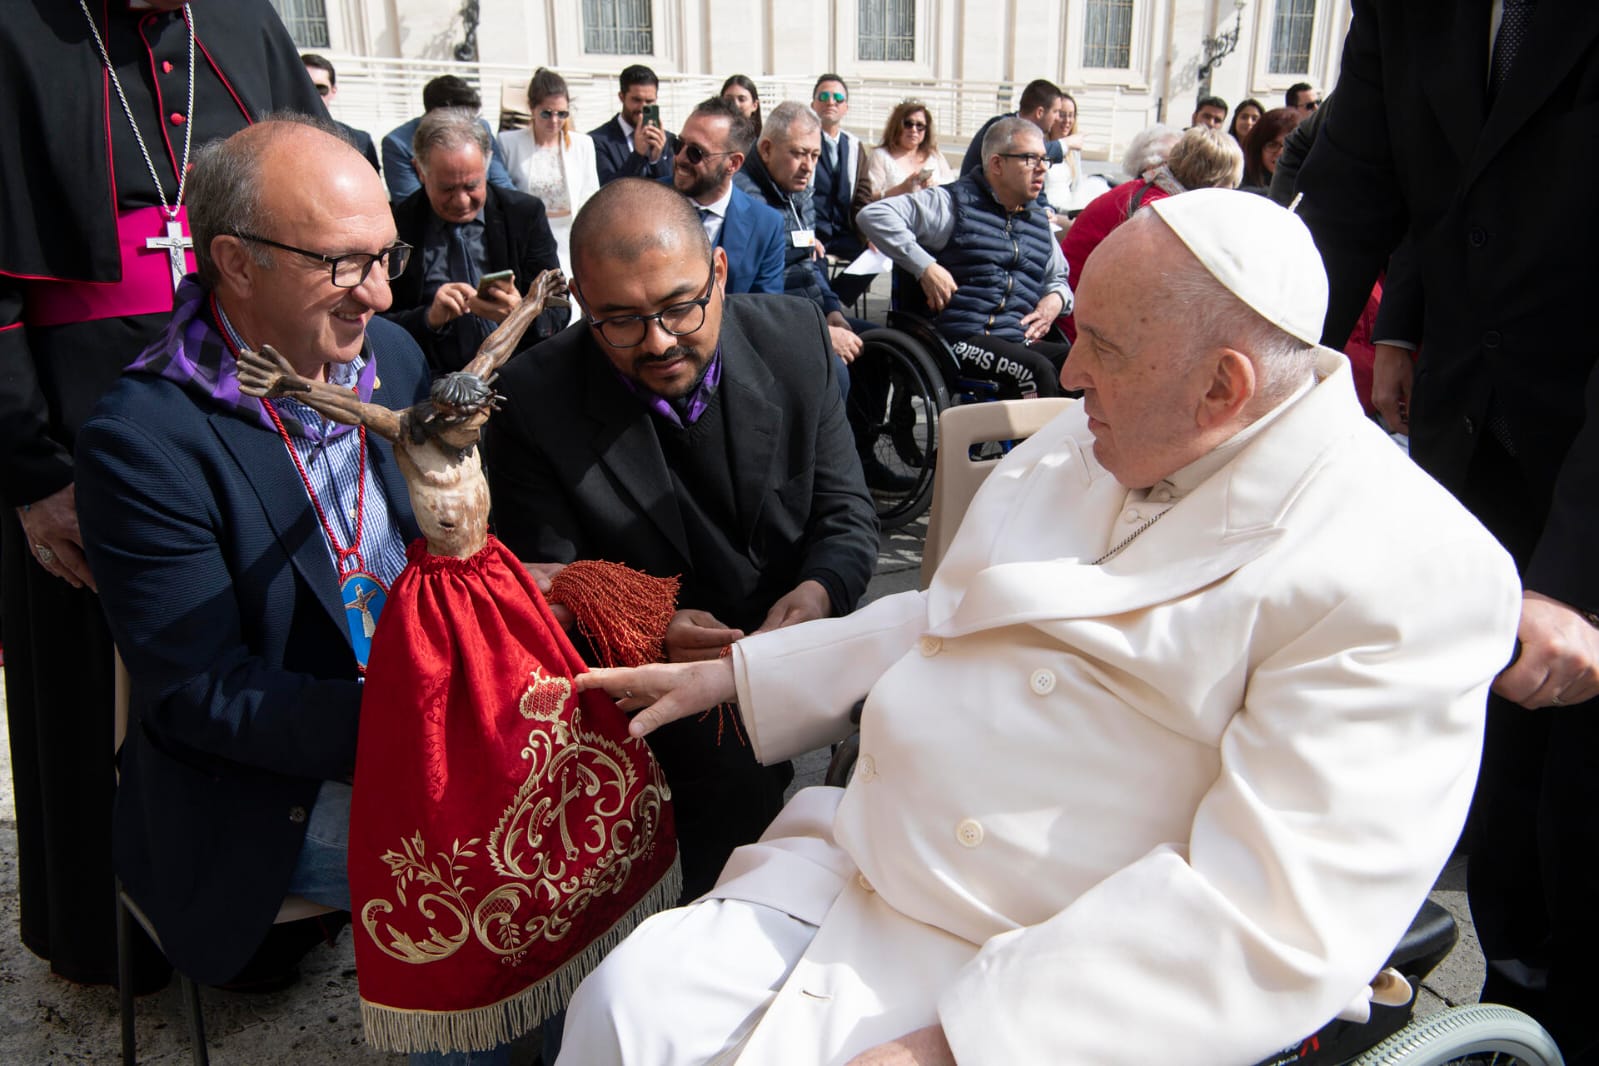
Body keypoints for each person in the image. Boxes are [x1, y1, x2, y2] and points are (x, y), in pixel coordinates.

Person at [556, 187, 1522, 1066]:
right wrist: (741, 674)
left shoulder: (1407, 571)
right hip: (869, 860)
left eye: (1099, 342)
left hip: (1046, 972)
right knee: (624, 1009)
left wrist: (954, 1048)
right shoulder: (1099, 434)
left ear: (1222, 388)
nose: (1067, 370)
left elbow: (1266, 919)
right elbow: (946, 617)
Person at [0, 0, 326, 993]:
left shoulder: (249, 23)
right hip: (71, 425)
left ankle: (265, 925)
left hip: (242, 413)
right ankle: (108, 937)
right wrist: (32, 473)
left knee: (252, 657)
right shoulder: (19, 28)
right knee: (83, 688)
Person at [1293, 2, 1599, 1056]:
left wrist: (1579, 572)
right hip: (1481, 444)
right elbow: (1349, 200)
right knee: (1499, 785)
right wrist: (1215, 387)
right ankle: (1516, 991)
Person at [481, 178, 878, 904]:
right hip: (652, 682)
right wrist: (651, 625)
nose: (658, 342)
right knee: (727, 810)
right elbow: (550, 581)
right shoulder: (533, 398)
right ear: (581, 303)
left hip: (794, 645)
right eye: (620, 321)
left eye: (679, 307)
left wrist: (819, 590)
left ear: (720, 272)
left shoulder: (794, 342)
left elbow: (846, 514)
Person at [857, 117, 1073, 398]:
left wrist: (1056, 299)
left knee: (1081, 365)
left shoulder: (1038, 222)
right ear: (997, 164)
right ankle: (1037, 443)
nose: (1042, 168)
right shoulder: (952, 203)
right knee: (1037, 370)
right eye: (1031, 159)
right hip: (962, 339)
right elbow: (873, 215)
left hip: (1017, 338)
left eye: (1045, 159)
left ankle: (1072, 442)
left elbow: (1059, 278)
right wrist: (925, 266)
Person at [384, 109, 567, 373]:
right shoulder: (399, 226)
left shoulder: (523, 216)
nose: (461, 201)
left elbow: (559, 311)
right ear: (420, 172)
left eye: (471, 186)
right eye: (447, 189)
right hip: (430, 379)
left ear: (487, 164)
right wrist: (429, 318)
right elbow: (377, 322)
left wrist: (521, 313)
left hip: (514, 375)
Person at [1058, 126, 1243, 342]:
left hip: (1080, 312)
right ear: (1216, 182)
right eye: (1230, 186)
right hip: (1082, 328)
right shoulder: (1161, 212)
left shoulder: (1149, 192)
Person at [734, 101, 868, 367]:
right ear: (766, 149)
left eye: (815, 156)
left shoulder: (800, 192)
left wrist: (831, 310)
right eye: (799, 153)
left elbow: (808, 261)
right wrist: (819, 332)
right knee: (836, 373)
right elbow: (757, 299)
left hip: (811, 311)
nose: (809, 166)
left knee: (874, 346)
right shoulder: (745, 201)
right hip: (775, 326)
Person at [671, 97, 785, 295]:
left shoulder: (766, 226)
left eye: (695, 152)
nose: (680, 158)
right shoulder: (645, 201)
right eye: (678, 145)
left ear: (733, 163)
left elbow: (765, 308)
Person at [500, 67, 601, 275]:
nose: (554, 121)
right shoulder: (508, 143)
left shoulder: (582, 145)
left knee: (569, 301)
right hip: (528, 239)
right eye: (546, 113)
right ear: (531, 108)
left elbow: (590, 194)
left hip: (570, 238)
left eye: (561, 114)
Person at [380, 74, 515, 201]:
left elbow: (502, 184)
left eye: (472, 117)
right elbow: (410, 202)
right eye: (459, 118)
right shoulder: (398, 143)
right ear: (433, 114)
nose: (467, 125)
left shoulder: (480, 127)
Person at [852, 100, 956, 213]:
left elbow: (953, 188)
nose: (914, 130)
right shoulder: (880, 156)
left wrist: (934, 186)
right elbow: (868, 198)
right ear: (897, 126)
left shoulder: (934, 155)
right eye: (908, 124)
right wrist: (900, 189)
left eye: (920, 125)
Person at [958, 78, 1068, 179]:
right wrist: (1065, 144)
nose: (1058, 118)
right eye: (1055, 112)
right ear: (1040, 112)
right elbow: (1025, 154)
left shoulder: (1035, 136)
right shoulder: (1002, 127)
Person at [589, 63, 678, 185]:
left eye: (649, 101)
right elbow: (607, 190)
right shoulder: (597, 141)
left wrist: (656, 160)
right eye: (636, 100)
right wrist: (637, 156)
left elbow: (674, 192)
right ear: (622, 97)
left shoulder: (667, 139)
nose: (643, 107)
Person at [809, 74, 865, 264]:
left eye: (838, 98)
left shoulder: (854, 146)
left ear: (846, 108)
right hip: (812, 232)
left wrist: (869, 234)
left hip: (844, 233)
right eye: (823, 97)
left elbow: (862, 196)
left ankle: (842, 295)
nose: (831, 102)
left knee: (878, 254)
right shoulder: (803, 143)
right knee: (816, 268)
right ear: (813, 105)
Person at [301, 53, 380, 173]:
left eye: (320, 88)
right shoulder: (273, 140)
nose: (312, 95)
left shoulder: (360, 141)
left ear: (333, 91)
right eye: (305, 87)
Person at [1239, 106, 1302, 194]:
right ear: (1258, 148)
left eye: (1290, 146)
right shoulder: (1241, 189)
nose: (1281, 153)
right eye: (1273, 145)